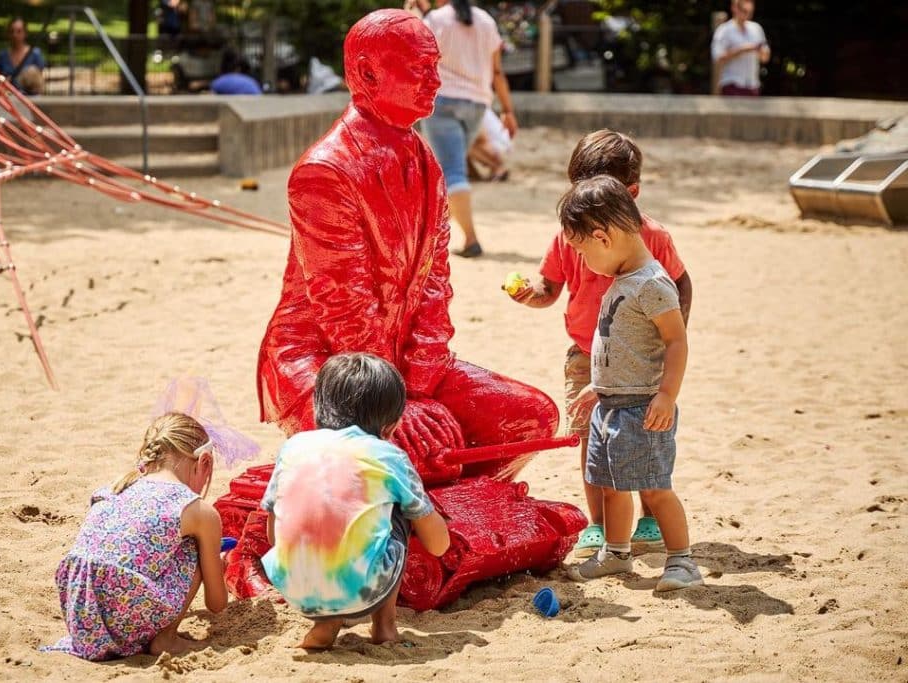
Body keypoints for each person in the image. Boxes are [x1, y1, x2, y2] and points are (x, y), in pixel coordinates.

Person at [257, 8, 559, 487]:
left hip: (405, 362)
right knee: (394, 452)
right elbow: (344, 306)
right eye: (421, 67)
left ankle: (451, 512)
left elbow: (436, 284)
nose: (436, 81)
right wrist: (397, 400)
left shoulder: (424, 160)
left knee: (531, 418)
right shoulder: (325, 172)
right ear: (368, 74)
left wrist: (419, 383)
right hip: (327, 362)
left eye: (435, 66)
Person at [506, 130, 692, 557]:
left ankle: (649, 516)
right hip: (585, 357)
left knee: (643, 437)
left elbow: (680, 284)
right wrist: (531, 293)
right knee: (593, 439)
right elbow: (549, 285)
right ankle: (601, 525)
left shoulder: (654, 238)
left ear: (631, 195)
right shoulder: (571, 235)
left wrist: (668, 341)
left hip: (640, 359)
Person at [556, 176, 703, 592]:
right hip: (612, 405)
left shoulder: (652, 283)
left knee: (654, 488)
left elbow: (676, 341)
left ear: (603, 237)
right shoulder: (622, 280)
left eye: (582, 250)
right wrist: (598, 387)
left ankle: (682, 561)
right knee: (610, 486)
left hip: (642, 408)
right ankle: (616, 553)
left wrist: (667, 394)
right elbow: (618, 343)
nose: (583, 261)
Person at [260, 353, 451, 649]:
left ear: (317, 407)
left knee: (333, 516)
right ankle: (385, 626)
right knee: (397, 512)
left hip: (293, 587)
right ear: (390, 426)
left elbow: (273, 527)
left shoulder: (294, 446)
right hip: (362, 591)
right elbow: (438, 545)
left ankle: (324, 627)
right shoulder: (388, 456)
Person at [43, 413, 229, 660]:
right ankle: (166, 639)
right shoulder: (196, 510)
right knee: (193, 545)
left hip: (83, 617)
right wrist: (216, 565)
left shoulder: (116, 487)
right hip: (126, 615)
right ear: (204, 461)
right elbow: (217, 604)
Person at [420, 0, 517, 258]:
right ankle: (435, 234)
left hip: (441, 101)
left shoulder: (435, 20)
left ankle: (470, 240)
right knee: (452, 169)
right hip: (477, 105)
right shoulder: (486, 21)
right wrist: (508, 110)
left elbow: (418, 62)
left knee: (451, 172)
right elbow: (497, 72)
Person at [711, 0, 769, 96]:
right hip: (731, 85)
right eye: (744, 10)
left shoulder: (756, 29)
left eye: (749, 11)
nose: (747, 14)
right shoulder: (724, 30)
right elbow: (718, 58)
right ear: (734, 8)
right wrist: (742, 50)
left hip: (753, 86)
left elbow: (765, 58)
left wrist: (759, 50)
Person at [0, 17, 45, 95]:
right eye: (12, 31)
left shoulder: (35, 54)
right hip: (7, 101)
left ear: (25, 33)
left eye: (19, 31)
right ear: (8, 33)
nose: (15, 35)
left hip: (30, 101)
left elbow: (39, 84)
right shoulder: (1, 56)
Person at [467, 106, 512, 182]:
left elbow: (480, 137)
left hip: (497, 145)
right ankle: (471, 175)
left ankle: (498, 168)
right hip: (494, 142)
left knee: (459, 140)